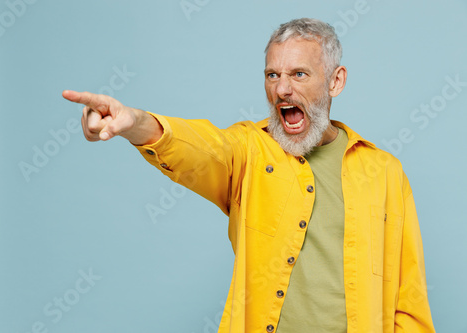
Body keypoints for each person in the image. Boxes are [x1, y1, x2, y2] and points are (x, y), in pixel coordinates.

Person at [63, 18, 435, 333]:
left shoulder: (383, 171)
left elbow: (409, 296)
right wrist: (137, 123)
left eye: (298, 74)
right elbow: (201, 148)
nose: (281, 89)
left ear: (335, 81)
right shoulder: (249, 151)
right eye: (272, 75)